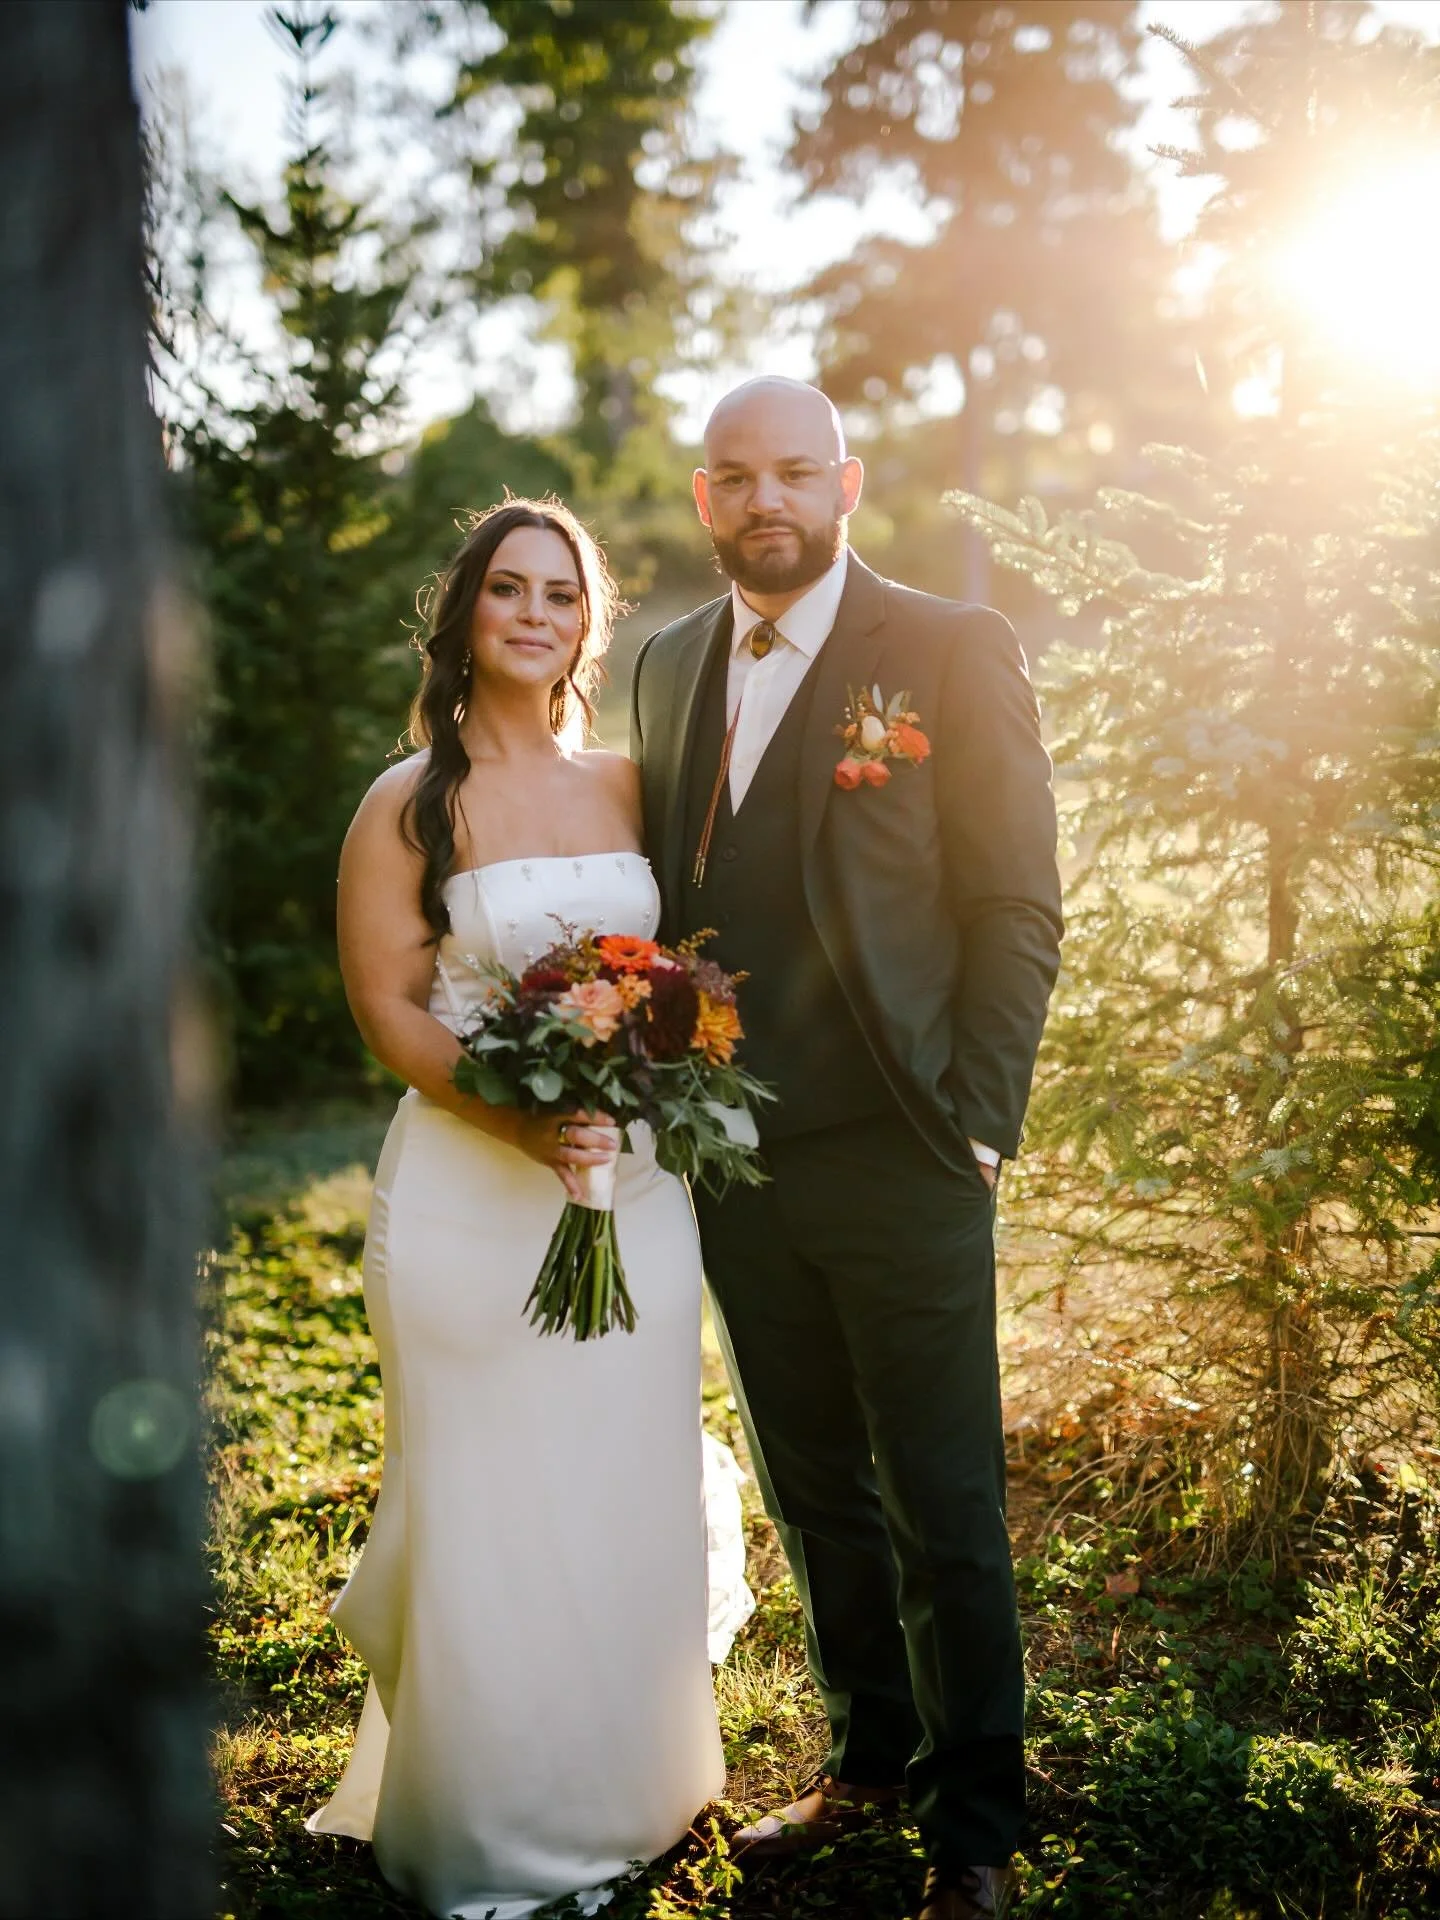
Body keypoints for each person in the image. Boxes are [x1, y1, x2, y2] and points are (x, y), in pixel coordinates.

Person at [630, 379, 1063, 1920]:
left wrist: (979, 1119)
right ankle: (869, 1757)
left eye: (796, 474)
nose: (770, 502)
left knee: (943, 1496)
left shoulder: (948, 648)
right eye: (739, 477)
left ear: (848, 482)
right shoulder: (668, 662)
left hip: (907, 1144)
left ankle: (975, 1832)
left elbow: (1014, 900)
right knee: (814, 1483)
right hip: (733, 1158)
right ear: (703, 497)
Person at [310, 498, 725, 1919]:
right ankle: (493, 1825)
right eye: (508, 590)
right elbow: (388, 1004)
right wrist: (527, 1112)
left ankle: (636, 1787)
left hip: (636, 1192)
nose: (535, 613)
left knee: (618, 1478)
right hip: (474, 1201)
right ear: (467, 614)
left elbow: (677, 970)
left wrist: (644, 1077)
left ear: (586, 623)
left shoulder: (630, 787)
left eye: (562, 592)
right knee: (494, 1498)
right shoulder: (407, 801)